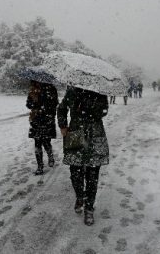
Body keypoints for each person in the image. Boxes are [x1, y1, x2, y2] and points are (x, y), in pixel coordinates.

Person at [57, 87, 109, 226]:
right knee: (75, 173)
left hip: (95, 136)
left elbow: (104, 111)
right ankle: (80, 196)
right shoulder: (72, 91)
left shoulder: (100, 92)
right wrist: (63, 125)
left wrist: (88, 107)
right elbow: (61, 108)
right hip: (76, 135)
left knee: (92, 175)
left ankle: (89, 208)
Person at [26, 81, 58, 175]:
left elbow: (55, 104)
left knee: (46, 141)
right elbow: (28, 104)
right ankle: (40, 166)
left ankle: (50, 157)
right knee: (37, 143)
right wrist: (33, 101)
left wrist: (43, 108)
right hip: (36, 120)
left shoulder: (51, 89)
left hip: (47, 120)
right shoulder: (33, 90)